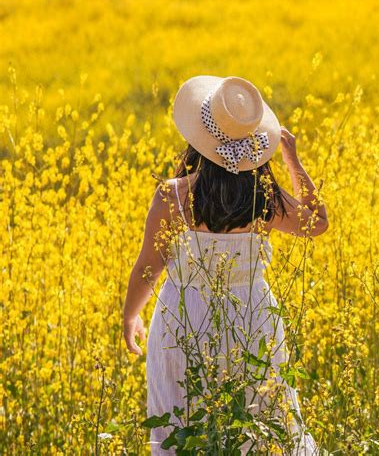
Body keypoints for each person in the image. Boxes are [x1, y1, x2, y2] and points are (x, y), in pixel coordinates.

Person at [123, 75, 329, 454]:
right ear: (254, 144)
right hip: (252, 320)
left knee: (181, 421)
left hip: (183, 322)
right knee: (258, 421)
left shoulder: (175, 195)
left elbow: (148, 269)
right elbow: (318, 222)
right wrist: (292, 159)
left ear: (200, 136)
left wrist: (130, 315)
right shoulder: (262, 197)